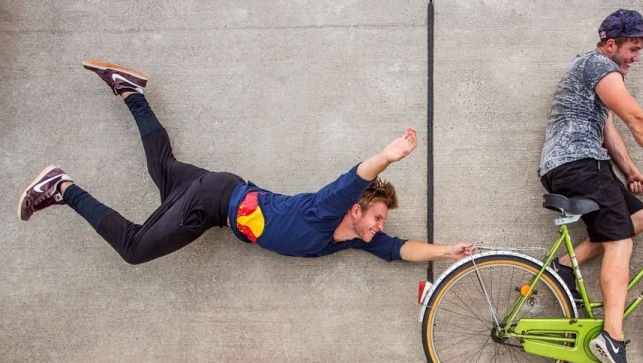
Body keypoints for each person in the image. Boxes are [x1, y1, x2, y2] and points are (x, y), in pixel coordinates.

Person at [17, 61, 473, 266]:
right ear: (356, 209)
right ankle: (62, 187)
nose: (379, 226)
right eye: (376, 217)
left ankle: (130, 90)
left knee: (162, 167)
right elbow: (357, 178)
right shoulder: (327, 210)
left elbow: (401, 250)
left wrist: (446, 251)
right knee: (135, 249)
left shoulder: (350, 241)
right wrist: (388, 157)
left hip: (220, 188)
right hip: (213, 204)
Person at [538, 9, 643, 363]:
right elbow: (635, 119)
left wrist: (630, 171)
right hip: (578, 163)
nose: (636, 57)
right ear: (610, 44)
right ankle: (612, 337)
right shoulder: (598, 66)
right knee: (619, 240)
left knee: (637, 218)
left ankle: (565, 266)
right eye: (633, 49)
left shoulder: (593, 73)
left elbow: (608, 128)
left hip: (579, 164)